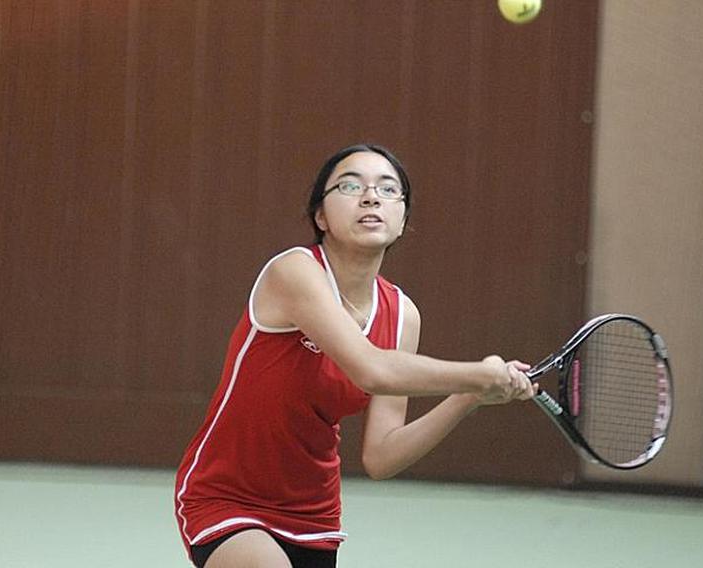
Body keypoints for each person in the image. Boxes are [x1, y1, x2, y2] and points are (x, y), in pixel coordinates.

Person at [174, 143, 535, 567]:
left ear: (402, 221)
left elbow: (382, 455)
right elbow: (371, 369)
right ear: (320, 216)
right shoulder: (294, 272)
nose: (370, 196)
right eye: (349, 185)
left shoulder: (402, 316)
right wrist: (477, 375)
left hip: (313, 513)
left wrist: (467, 398)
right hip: (225, 496)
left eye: (388, 189)